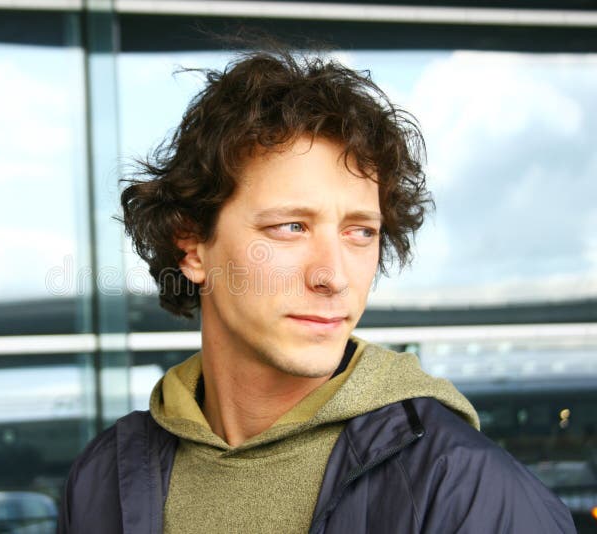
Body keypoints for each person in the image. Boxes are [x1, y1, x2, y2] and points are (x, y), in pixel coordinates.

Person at [60, 49, 575, 533]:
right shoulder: (102, 478)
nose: (333, 276)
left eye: (360, 232)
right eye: (291, 227)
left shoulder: (468, 487)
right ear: (192, 247)